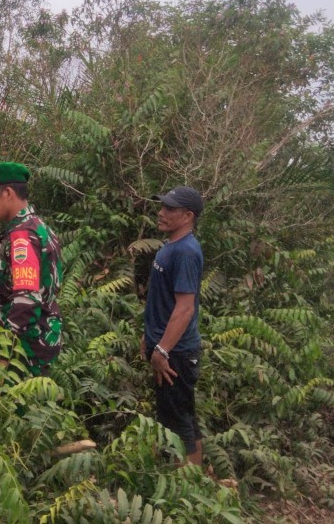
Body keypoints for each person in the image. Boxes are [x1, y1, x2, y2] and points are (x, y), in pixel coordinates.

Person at [0, 162, 63, 377]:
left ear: (7, 193)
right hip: (36, 342)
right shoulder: (38, 226)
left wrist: (3, 355)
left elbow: (26, 301)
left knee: (16, 408)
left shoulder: (23, 238)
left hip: (25, 351)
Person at [140, 185, 205, 466]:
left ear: (188, 216)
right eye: (162, 206)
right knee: (182, 416)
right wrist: (149, 337)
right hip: (168, 348)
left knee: (177, 424)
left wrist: (162, 350)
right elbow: (163, 300)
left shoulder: (186, 252)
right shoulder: (172, 246)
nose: (161, 213)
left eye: (169, 209)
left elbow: (185, 307)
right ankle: (195, 485)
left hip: (175, 354)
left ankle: (189, 493)